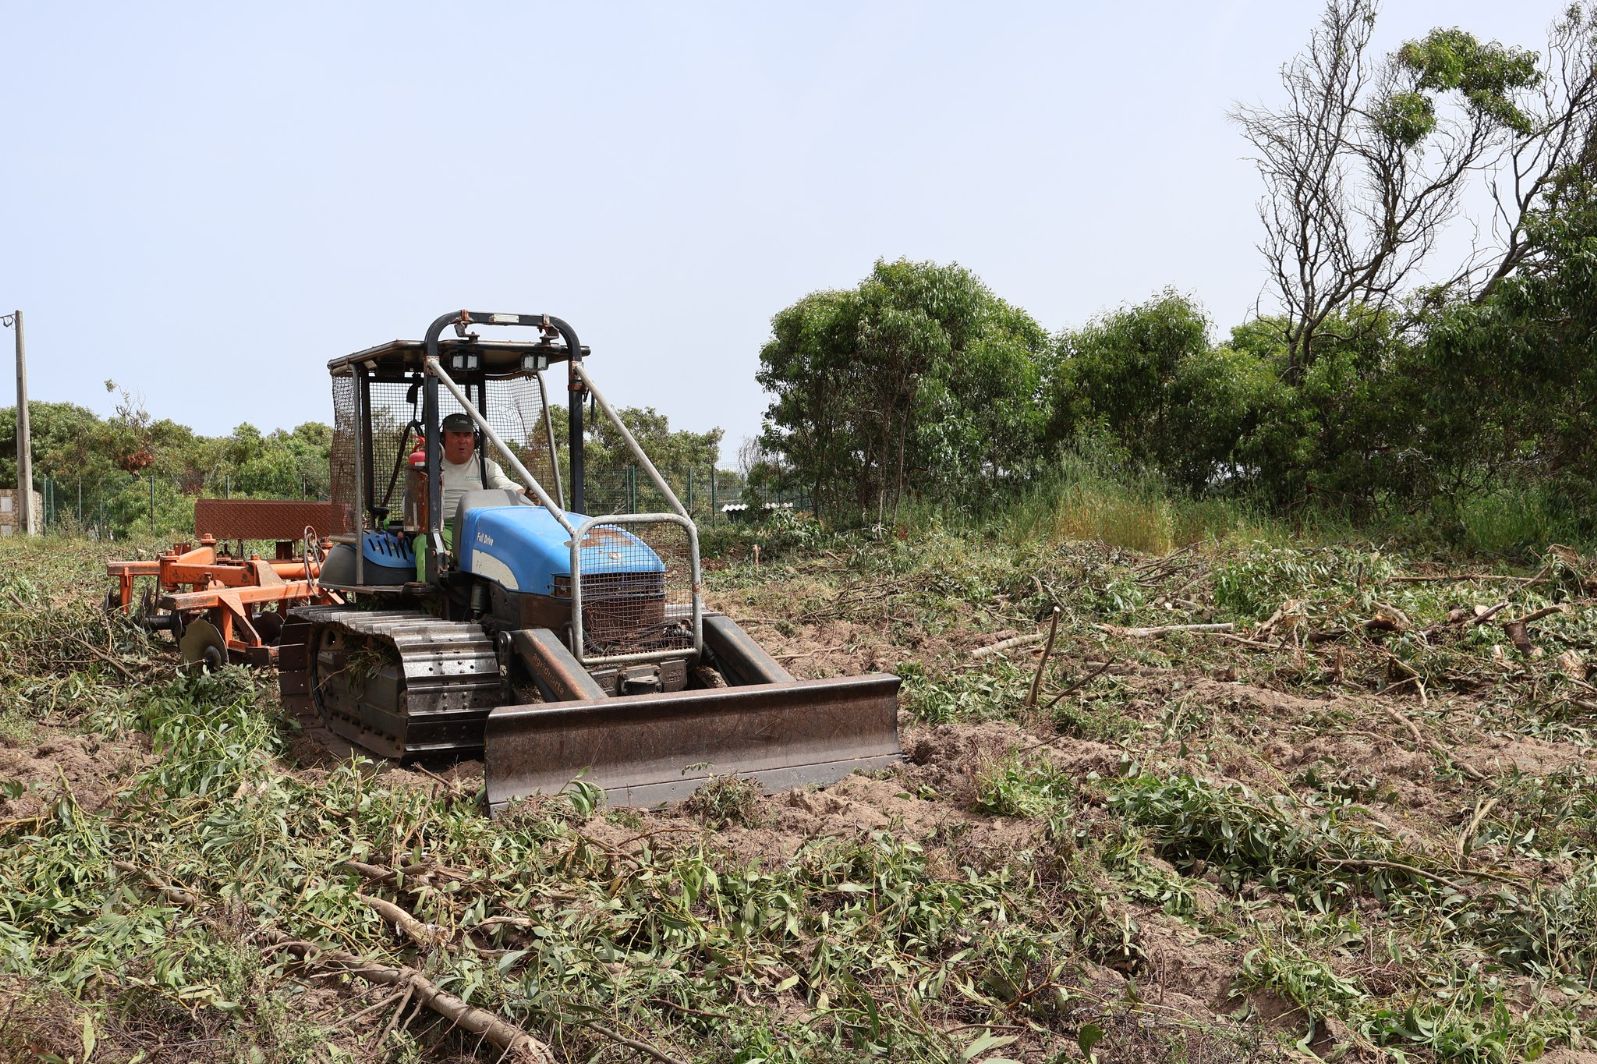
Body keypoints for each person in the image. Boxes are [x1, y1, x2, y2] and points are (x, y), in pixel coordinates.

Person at [415, 411, 525, 579]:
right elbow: (413, 499)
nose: (462, 441)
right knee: (426, 545)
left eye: (467, 435)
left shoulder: (485, 466)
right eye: (456, 435)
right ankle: (430, 601)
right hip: (440, 528)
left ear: (475, 439)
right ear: (443, 438)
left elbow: (505, 485)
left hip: (476, 528)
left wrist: (524, 494)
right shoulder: (430, 466)